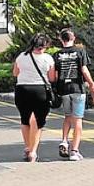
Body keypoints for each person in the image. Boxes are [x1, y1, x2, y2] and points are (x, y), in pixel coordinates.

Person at [52, 28, 94, 161]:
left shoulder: (56, 55)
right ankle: (74, 151)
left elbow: (55, 76)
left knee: (67, 117)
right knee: (77, 120)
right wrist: (91, 84)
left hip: (64, 91)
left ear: (61, 39)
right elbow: (84, 70)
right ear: (73, 38)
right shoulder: (80, 52)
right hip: (77, 89)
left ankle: (64, 141)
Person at [11, 33, 57, 162]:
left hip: (22, 90)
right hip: (40, 90)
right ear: (45, 45)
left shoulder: (22, 56)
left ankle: (27, 147)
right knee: (37, 121)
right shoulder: (48, 59)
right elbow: (52, 78)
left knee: (25, 120)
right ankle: (33, 151)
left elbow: (15, 73)